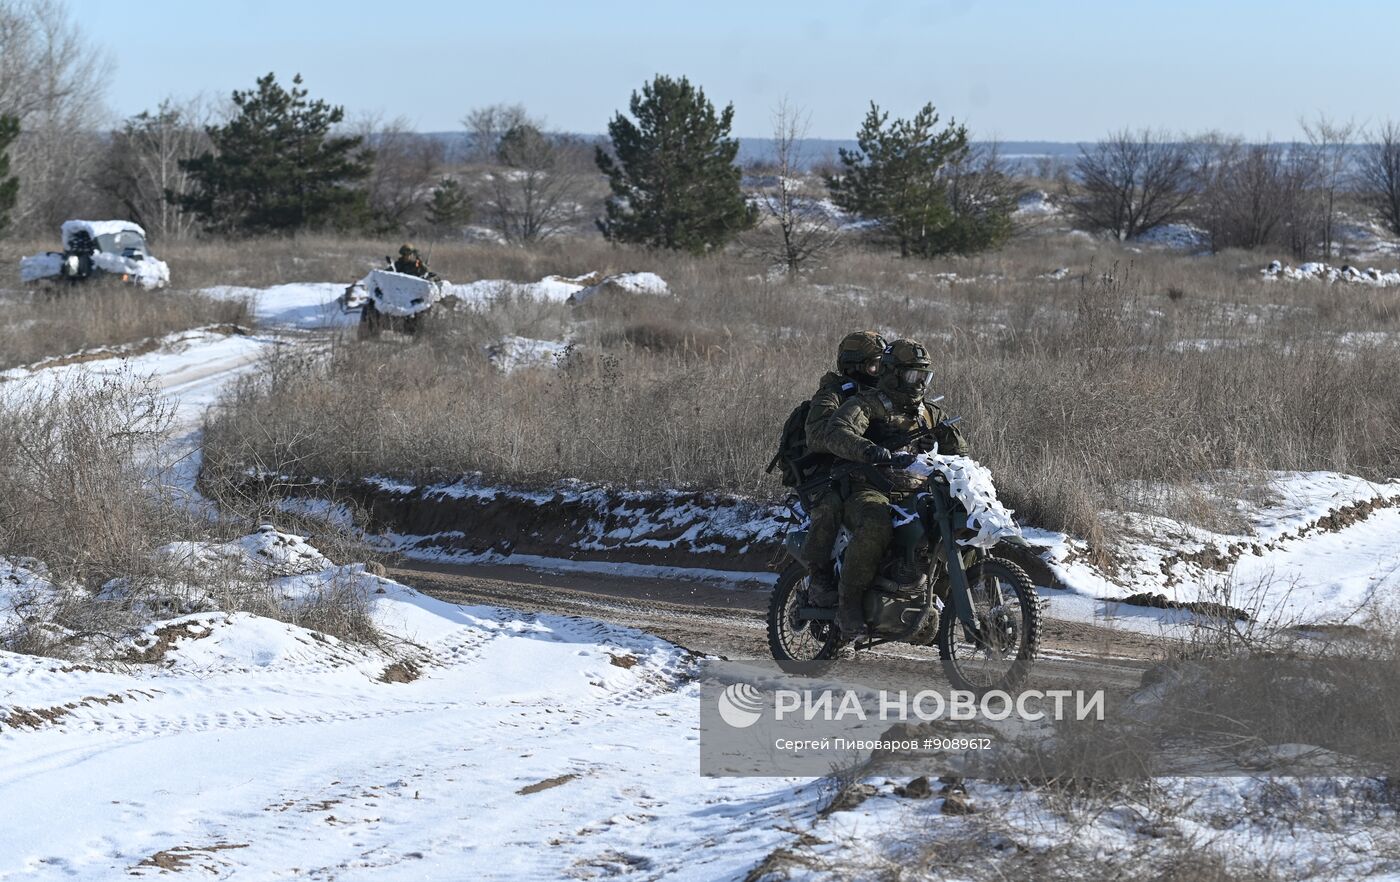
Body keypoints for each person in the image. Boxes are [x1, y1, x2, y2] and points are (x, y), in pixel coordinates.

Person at [812, 339, 968, 639]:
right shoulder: (868, 404)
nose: (919, 383)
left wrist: (938, 445)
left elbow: (960, 449)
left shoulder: (928, 412)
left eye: (924, 377)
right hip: (868, 487)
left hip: (917, 491)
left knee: (954, 521)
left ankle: (943, 601)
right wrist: (870, 450)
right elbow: (835, 432)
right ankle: (849, 606)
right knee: (875, 523)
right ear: (894, 373)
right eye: (913, 376)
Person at [798, 330, 887, 606]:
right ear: (854, 364)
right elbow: (818, 435)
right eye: (874, 364)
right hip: (827, 471)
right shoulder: (832, 393)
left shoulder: (881, 395)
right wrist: (857, 445)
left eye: (882, 364)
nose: (879, 371)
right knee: (831, 506)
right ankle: (819, 575)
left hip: (867, 471)